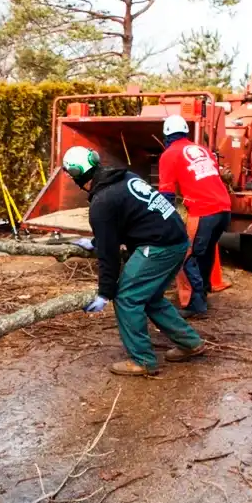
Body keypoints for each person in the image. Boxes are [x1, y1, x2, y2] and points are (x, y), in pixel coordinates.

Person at [62, 145, 205, 376]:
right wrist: (98, 240)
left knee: (127, 298)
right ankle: (191, 343)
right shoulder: (123, 177)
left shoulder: (102, 202)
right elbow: (128, 218)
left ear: (77, 174)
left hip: (160, 246)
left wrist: (105, 293)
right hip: (176, 238)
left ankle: (143, 361)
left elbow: (109, 256)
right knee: (150, 297)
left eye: (68, 172)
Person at [158, 115, 231, 318]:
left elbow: (167, 193)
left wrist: (165, 221)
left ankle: (195, 304)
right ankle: (203, 292)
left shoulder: (170, 154)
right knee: (205, 253)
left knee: (185, 254)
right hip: (224, 209)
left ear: (166, 135)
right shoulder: (203, 151)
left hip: (203, 210)